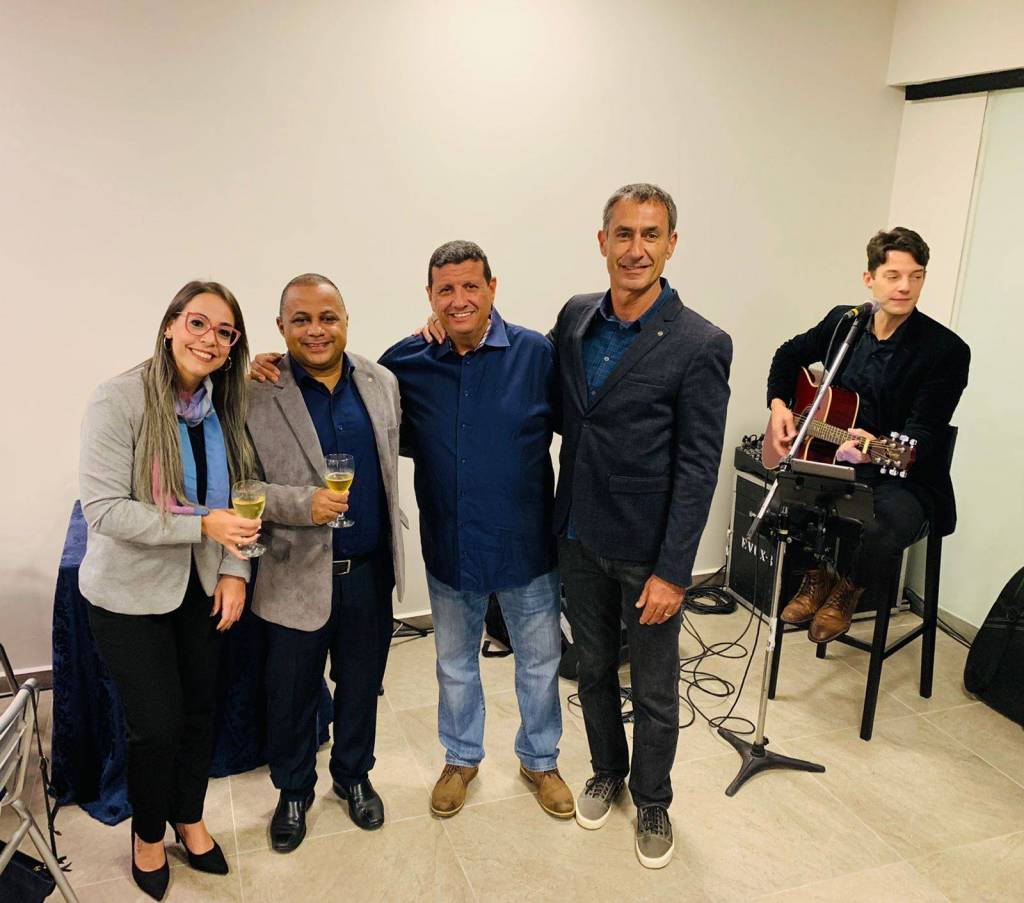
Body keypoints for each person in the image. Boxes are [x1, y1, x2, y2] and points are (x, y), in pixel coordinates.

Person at [251, 243, 573, 822]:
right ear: (430, 296)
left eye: (470, 286)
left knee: (539, 663)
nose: (458, 300)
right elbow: (345, 388)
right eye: (445, 290)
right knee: (454, 664)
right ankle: (461, 758)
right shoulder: (405, 363)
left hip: (526, 544)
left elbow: (576, 430)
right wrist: (270, 364)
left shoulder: (536, 355)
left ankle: (541, 760)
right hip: (450, 546)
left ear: (492, 287)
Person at [551, 183, 732, 869]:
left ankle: (653, 797)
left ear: (671, 244)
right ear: (603, 241)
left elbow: (698, 467)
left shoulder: (700, 343)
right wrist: (444, 328)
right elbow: (533, 377)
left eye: (650, 234)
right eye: (623, 234)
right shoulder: (575, 317)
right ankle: (608, 769)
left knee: (654, 687)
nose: (636, 249)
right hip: (579, 535)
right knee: (593, 669)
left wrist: (674, 571)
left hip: (648, 551)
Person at [79, 281, 259, 900]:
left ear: (233, 345)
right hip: (128, 597)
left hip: (202, 588)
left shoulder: (225, 405)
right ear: (170, 325)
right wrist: (201, 525)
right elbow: (104, 509)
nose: (209, 339)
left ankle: (189, 815)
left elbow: (245, 496)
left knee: (200, 713)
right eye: (198, 323)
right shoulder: (119, 398)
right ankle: (148, 833)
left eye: (224, 331)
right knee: (155, 727)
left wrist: (235, 571)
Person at [246, 274, 404, 853]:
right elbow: (239, 487)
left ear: (345, 320)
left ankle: (354, 775)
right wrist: (301, 504)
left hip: (368, 572)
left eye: (328, 317)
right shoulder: (255, 392)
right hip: (292, 574)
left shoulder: (381, 382)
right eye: (302, 319)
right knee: (290, 695)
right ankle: (293, 790)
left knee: (361, 686)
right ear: (281, 326)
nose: (316, 330)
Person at [766, 227, 970, 642]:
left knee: (885, 526)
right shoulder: (845, 323)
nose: (905, 287)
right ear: (869, 278)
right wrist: (780, 407)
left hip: (904, 474)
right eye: (893, 275)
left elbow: (924, 434)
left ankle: (848, 590)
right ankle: (816, 578)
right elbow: (788, 355)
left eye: (916, 276)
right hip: (833, 457)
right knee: (781, 502)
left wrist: (874, 450)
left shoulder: (945, 350)